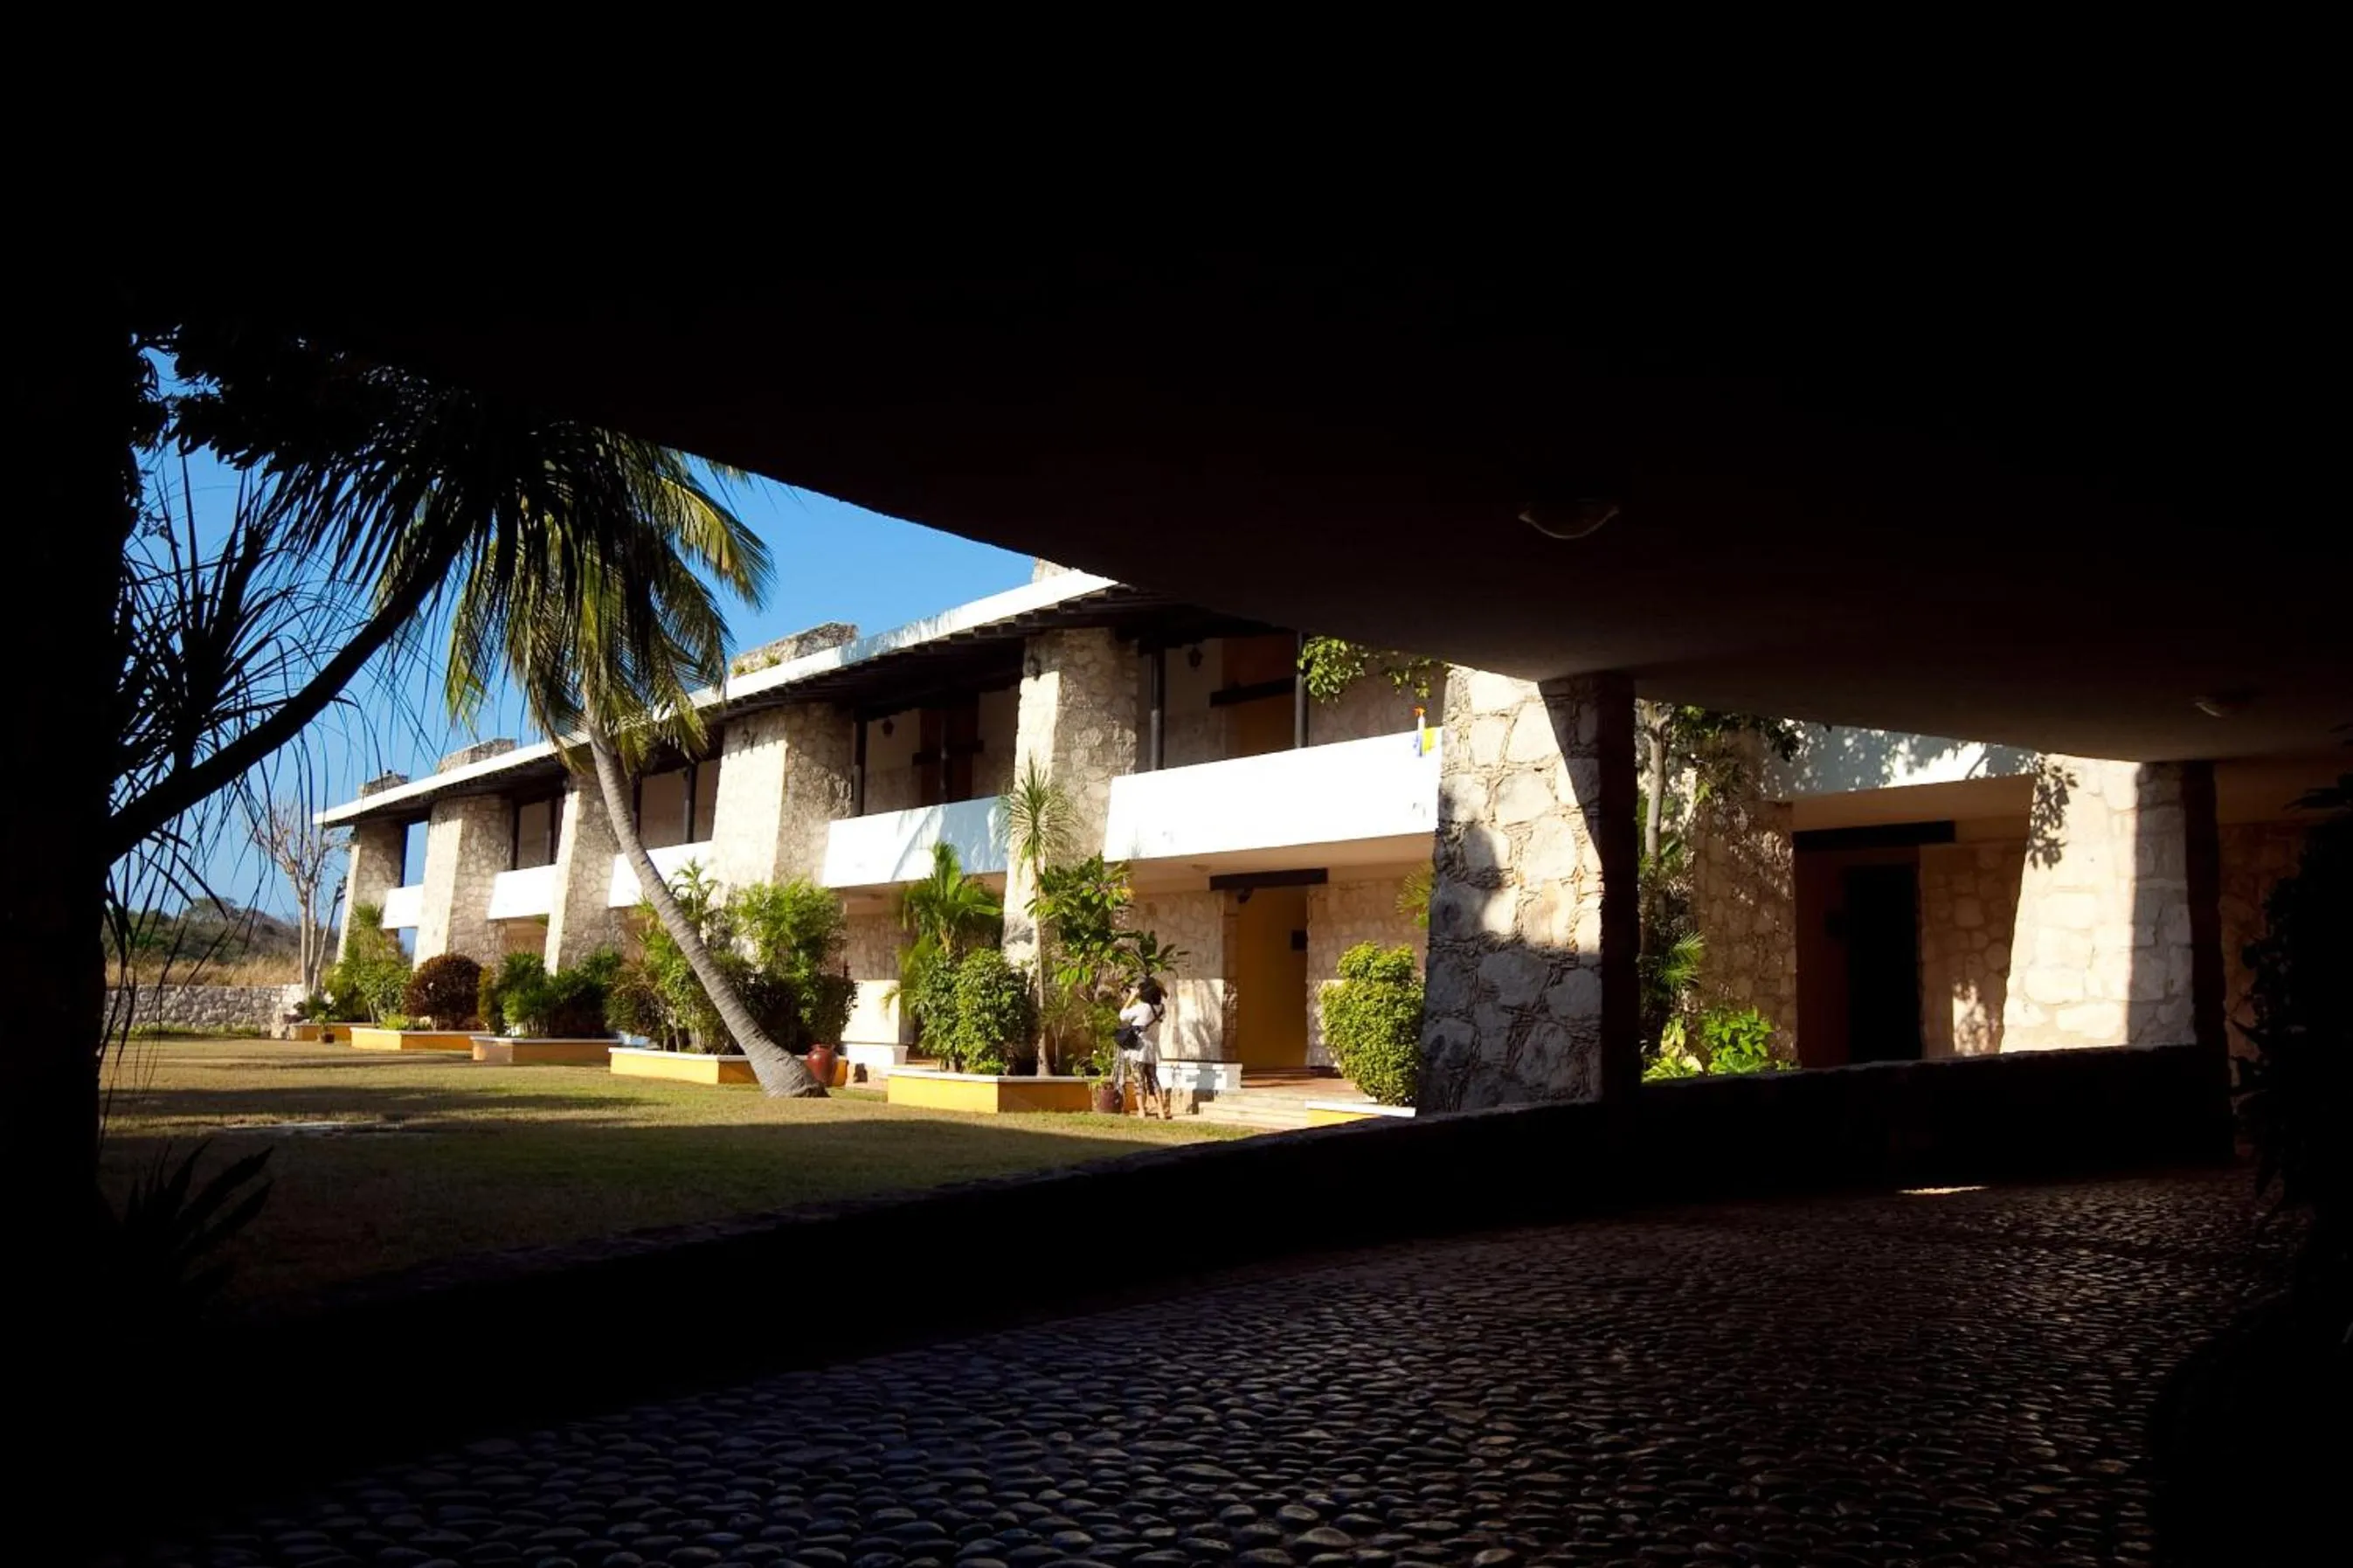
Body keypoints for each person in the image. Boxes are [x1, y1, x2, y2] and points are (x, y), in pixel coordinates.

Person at [1116, 978, 1169, 1119]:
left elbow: (1122, 1016)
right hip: (1153, 1049)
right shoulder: (1161, 1008)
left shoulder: (1141, 1008)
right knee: (1154, 1079)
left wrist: (1131, 997)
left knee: (1139, 1079)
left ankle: (1141, 1110)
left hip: (1138, 1049)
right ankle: (1161, 1111)